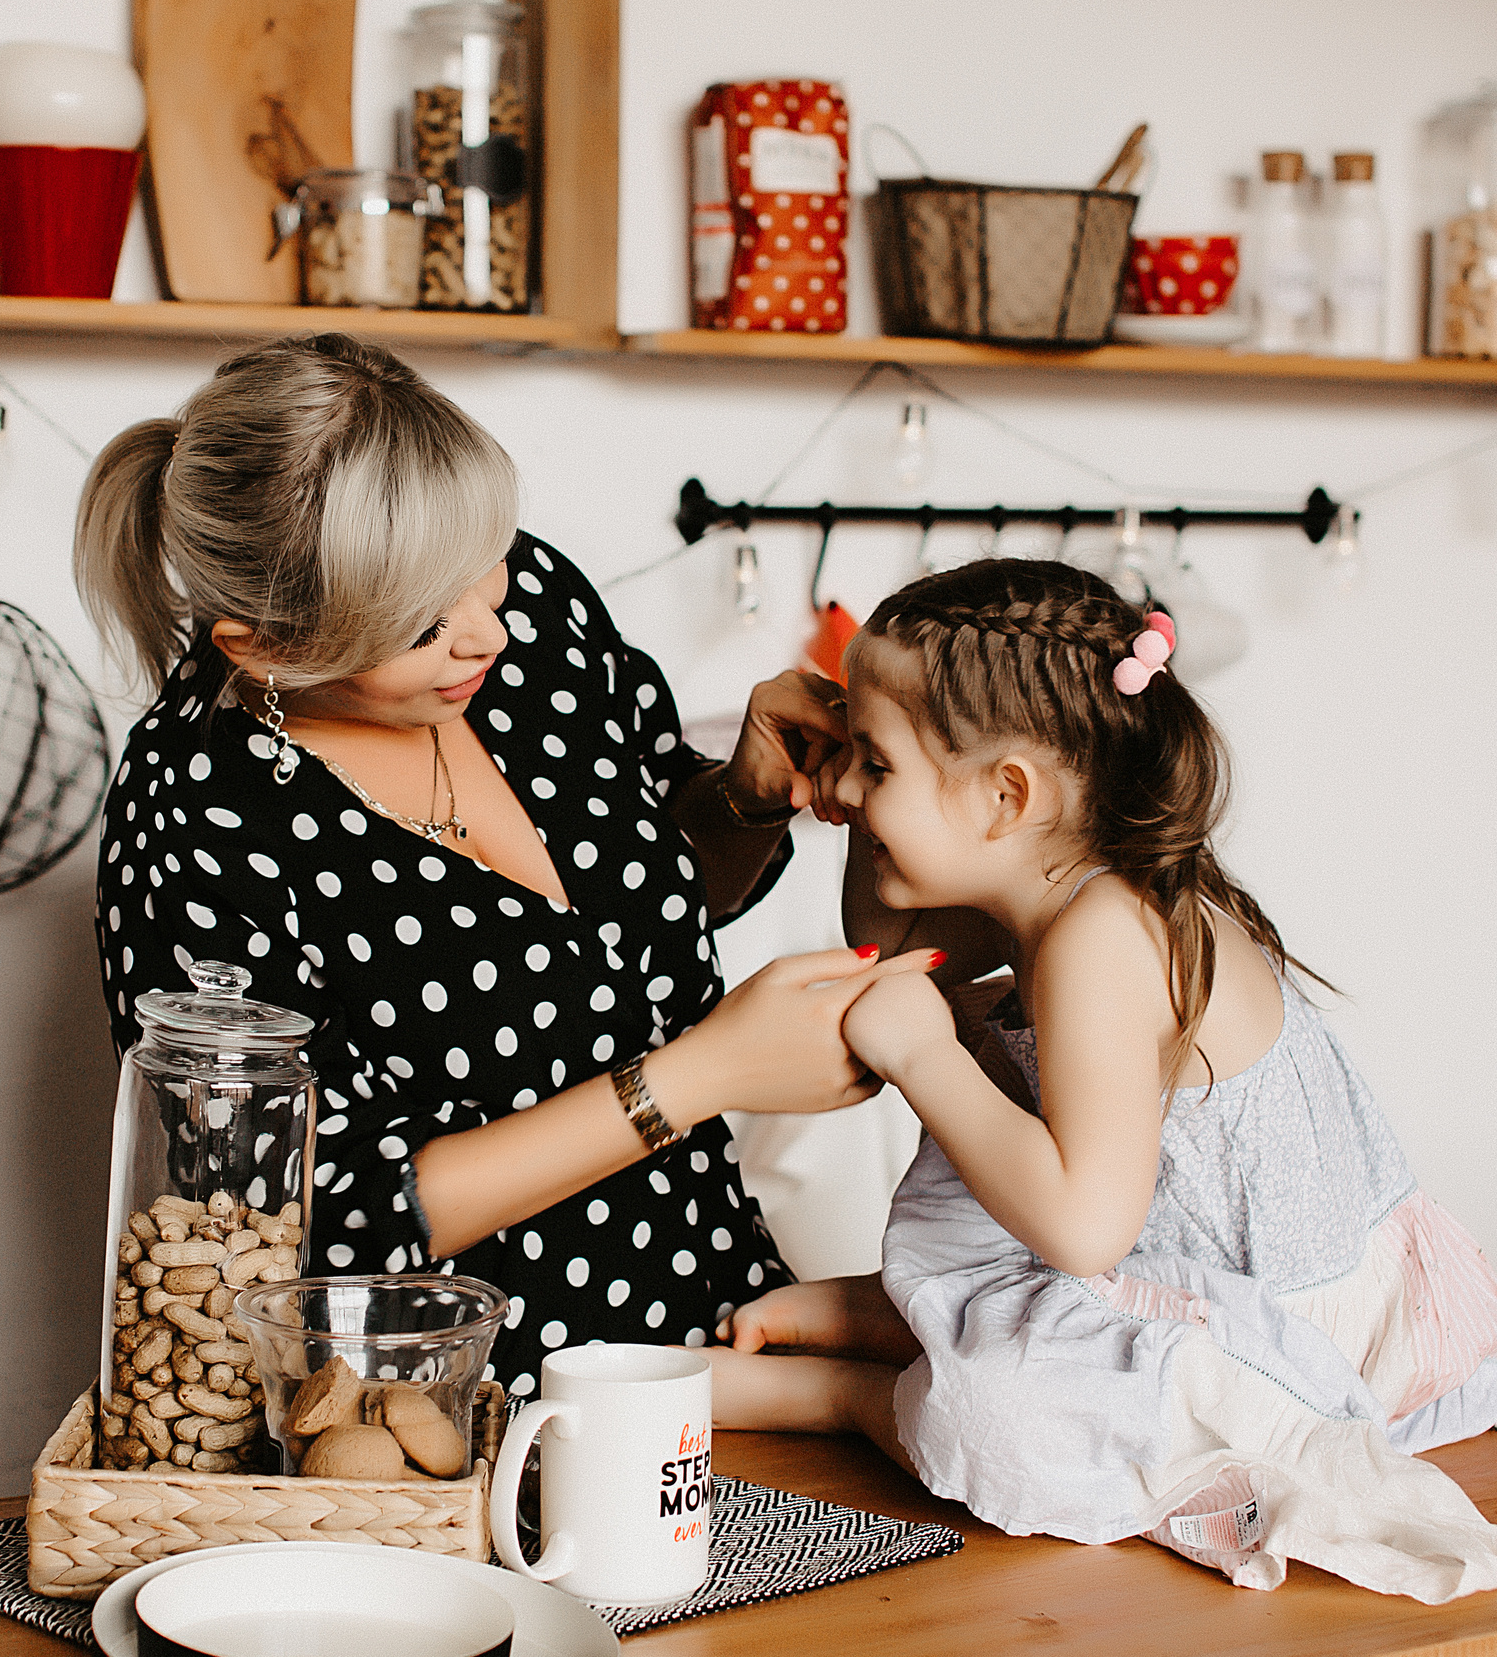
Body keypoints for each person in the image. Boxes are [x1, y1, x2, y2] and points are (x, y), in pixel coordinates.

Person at [74, 333, 932, 1398]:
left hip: (718, 1333)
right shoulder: (195, 810)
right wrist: (698, 1076)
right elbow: (291, 1228)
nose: (487, 631)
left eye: (489, 568)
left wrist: (741, 800)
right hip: (446, 1411)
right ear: (266, 645)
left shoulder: (537, 620)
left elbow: (643, 920)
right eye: (428, 622)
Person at [707, 558, 1497, 1604]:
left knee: (1000, 1413)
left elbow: (1084, 1230)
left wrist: (924, 1057)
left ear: (1005, 795)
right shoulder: (1055, 877)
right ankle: (907, 1322)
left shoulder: (1103, 931)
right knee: (979, 1071)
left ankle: (844, 1394)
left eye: (874, 763)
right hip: (1177, 1289)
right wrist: (839, 800)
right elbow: (888, 942)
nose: (849, 786)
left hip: (1281, 1348)